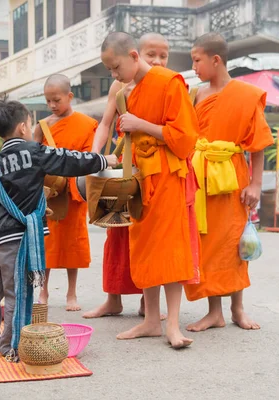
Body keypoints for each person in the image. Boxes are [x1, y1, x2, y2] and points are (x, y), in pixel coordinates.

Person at [0, 98, 118, 362]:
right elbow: (69, 160)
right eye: (30, 124)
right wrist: (104, 160)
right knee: (16, 292)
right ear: (22, 127)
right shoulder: (34, 152)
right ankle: (11, 347)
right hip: (15, 239)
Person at [99, 32, 198, 349]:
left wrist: (140, 123)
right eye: (110, 71)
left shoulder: (170, 82)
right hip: (137, 175)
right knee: (143, 248)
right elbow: (116, 130)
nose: (114, 75)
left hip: (166, 176)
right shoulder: (125, 91)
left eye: (116, 68)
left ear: (132, 56)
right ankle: (151, 320)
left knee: (170, 249)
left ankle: (172, 325)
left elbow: (184, 138)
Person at [184, 32, 274, 331]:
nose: (194, 67)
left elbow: (258, 144)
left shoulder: (246, 95)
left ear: (215, 59)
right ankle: (214, 312)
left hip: (232, 177)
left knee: (234, 243)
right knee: (207, 244)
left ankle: (237, 308)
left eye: (196, 60)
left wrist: (256, 185)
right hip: (199, 177)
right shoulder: (196, 94)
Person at [84, 32, 171, 319]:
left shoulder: (169, 85)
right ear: (135, 54)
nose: (157, 61)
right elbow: (105, 124)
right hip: (125, 166)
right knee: (116, 232)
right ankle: (114, 298)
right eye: (151, 55)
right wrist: (94, 159)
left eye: (163, 56)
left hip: (157, 168)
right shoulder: (120, 86)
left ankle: (149, 304)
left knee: (151, 238)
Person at [32, 74, 98, 312]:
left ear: (69, 96)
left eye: (57, 100)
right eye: (48, 100)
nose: (52, 105)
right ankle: (43, 290)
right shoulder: (42, 126)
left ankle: (71, 292)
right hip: (49, 192)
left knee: (73, 244)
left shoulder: (87, 124)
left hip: (72, 192)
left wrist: (72, 179)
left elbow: (90, 157)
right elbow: (34, 156)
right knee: (46, 243)